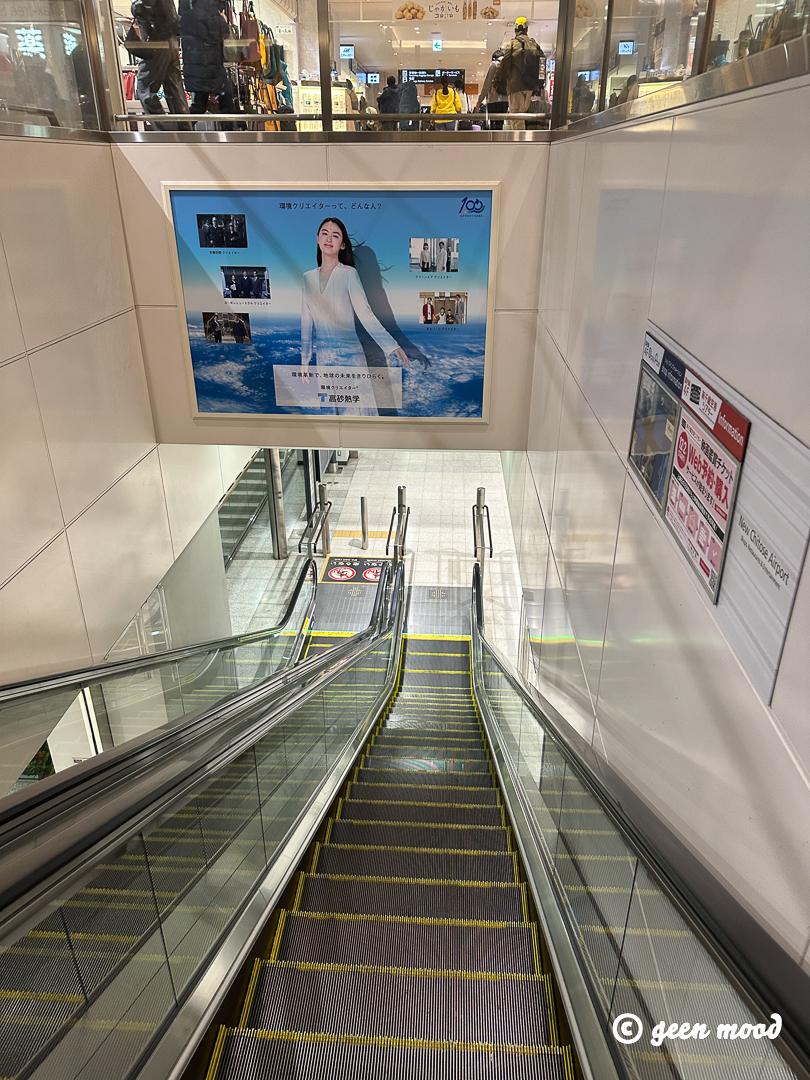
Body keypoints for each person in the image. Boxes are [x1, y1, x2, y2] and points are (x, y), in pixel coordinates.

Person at [301, 217, 410, 416]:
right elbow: (306, 322)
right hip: (324, 360)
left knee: (358, 413)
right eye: (325, 233)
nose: (329, 238)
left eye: (335, 235)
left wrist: (392, 345)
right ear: (317, 238)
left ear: (342, 245)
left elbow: (365, 314)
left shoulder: (349, 274)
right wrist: (305, 360)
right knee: (331, 415)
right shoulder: (307, 278)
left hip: (350, 357)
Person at [130, 0, 190, 130]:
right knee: (174, 87)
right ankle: (185, 129)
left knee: (144, 87)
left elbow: (144, 6)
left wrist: (135, 7)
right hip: (171, 40)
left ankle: (166, 131)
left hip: (156, 42)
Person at [179, 0, 237, 127]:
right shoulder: (208, 8)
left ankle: (181, 129)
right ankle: (230, 134)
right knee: (227, 103)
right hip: (210, 66)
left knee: (199, 105)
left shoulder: (187, 11)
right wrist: (222, 18)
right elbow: (224, 32)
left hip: (195, 67)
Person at [494, 17, 545, 130]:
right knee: (522, 116)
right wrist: (540, 83)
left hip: (515, 86)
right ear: (526, 29)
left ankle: (519, 140)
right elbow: (542, 63)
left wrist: (496, 82)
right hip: (529, 87)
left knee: (516, 119)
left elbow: (504, 65)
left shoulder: (512, 44)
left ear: (515, 30)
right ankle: (522, 139)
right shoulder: (534, 44)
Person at [477, 49, 508, 129]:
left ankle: (494, 137)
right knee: (500, 125)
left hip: (493, 100)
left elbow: (487, 85)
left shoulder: (494, 65)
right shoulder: (508, 66)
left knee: (493, 126)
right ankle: (500, 137)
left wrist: (480, 100)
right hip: (505, 101)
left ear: (494, 58)